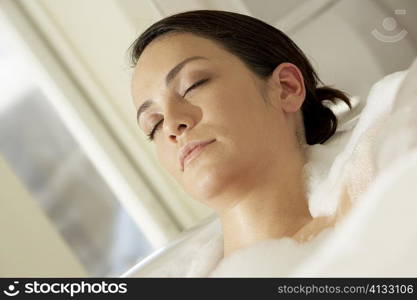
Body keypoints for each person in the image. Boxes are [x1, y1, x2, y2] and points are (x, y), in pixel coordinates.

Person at [128, 10, 353, 259]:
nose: (171, 125)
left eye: (192, 85)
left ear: (286, 88)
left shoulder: (378, 195)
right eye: (154, 124)